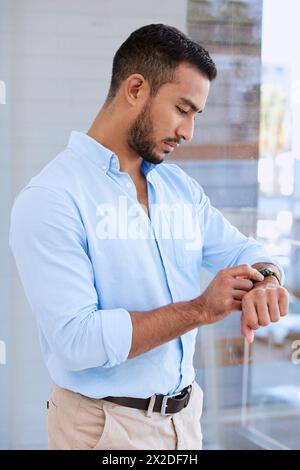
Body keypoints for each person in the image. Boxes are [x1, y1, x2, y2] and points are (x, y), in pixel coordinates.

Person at [9, 24, 289, 451]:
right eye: (182, 108)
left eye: (197, 115)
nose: (189, 131)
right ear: (136, 88)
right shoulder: (51, 199)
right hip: (101, 431)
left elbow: (245, 250)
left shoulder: (180, 190)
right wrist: (199, 309)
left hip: (185, 422)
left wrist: (267, 278)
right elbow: (76, 342)